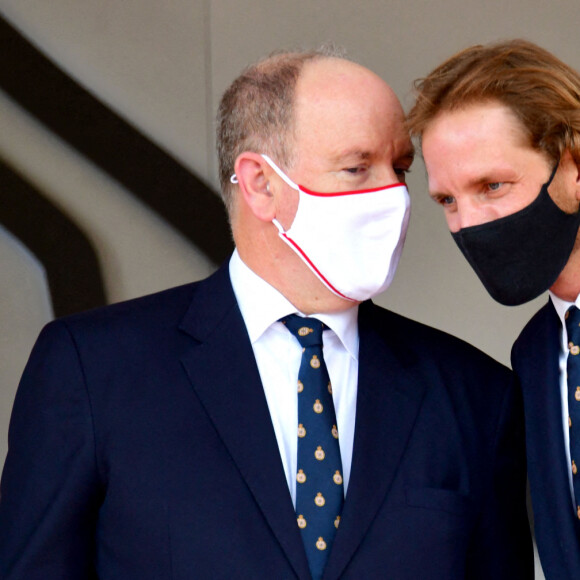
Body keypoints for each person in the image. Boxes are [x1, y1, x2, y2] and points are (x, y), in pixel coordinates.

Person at [0, 48, 532, 579]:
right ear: (259, 183)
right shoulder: (93, 369)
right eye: (357, 167)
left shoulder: (476, 395)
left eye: (399, 168)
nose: (392, 195)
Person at [407, 39, 580, 579]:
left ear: (574, 166)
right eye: (448, 200)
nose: (468, 223)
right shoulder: (533, 354)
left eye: (492, 185)